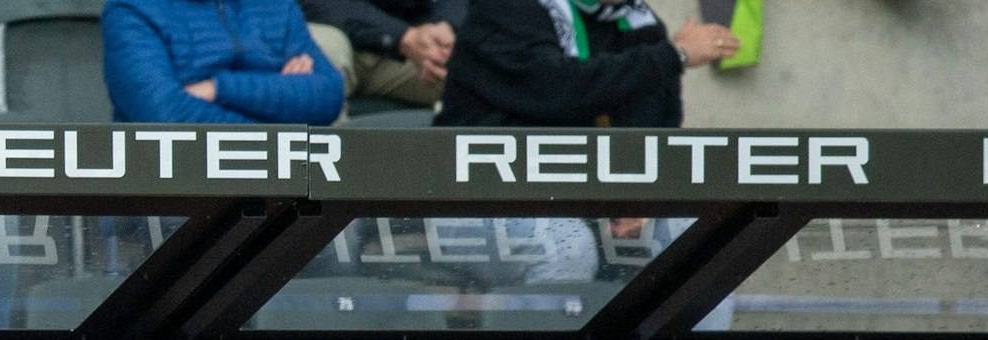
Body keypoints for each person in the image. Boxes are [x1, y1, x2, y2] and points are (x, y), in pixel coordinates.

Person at [437, 0, 736, 127]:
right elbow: (556, 92)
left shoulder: (639, 20)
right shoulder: (506, 8)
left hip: (581, 191)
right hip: (483, 192)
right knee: (574, 251)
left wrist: (635, 198)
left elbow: (654, 125)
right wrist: (674, 56)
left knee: (689, 229)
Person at [102, 0, 344, 125]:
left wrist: (217, 89)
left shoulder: (274, 5)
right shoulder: (130, 9)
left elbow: (328, 94)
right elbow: (165, 118)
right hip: (174, 188)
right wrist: (283, 114)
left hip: (279, 191)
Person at [302, 0, 460, 112]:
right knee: (325, 56)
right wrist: (404, 37)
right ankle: (330, 156)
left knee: (471, 69)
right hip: (327, 28)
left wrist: (445, 24)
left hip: (415, 42)